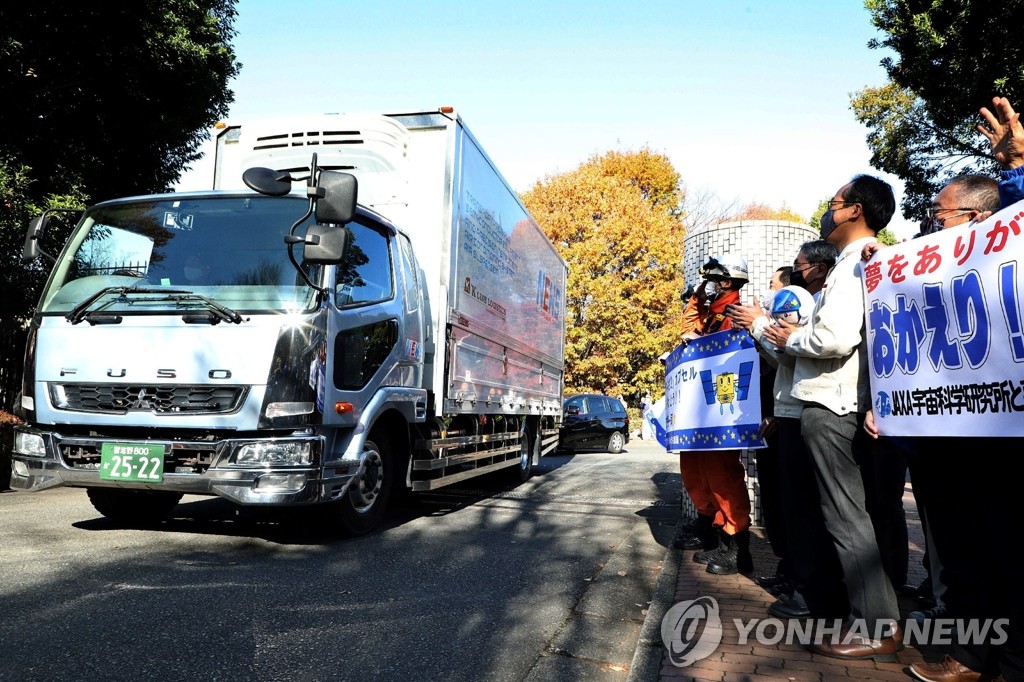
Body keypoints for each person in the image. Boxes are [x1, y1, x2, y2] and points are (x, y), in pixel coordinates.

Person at [880, 101, 1023, 681]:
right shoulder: (926, 263)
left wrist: (1015, 165)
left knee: (1007, 549)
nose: (933, 225)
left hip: (999, 433)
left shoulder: (1008, 238)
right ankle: (969, 655)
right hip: (940, 434)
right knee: (961, 551)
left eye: (942, 215)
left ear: (978, 216)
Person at [762, 175, 902, 661]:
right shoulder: (862, 263)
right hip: (839, 402)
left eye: (835, 203)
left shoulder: (852, 269)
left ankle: (877, 625)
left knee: (846, 518)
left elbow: (834, 339)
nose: (828, 210)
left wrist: (788, 340)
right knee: (846, 516)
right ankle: (870, 616)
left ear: (856, 210)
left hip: (832, 404)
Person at [728, 240, 847, 622]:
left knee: (806, 509)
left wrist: (760, 325)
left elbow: (800, 350)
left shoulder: (814, 305)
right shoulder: (811, 303)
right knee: (790, 507)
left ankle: (815, 591)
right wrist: (760, 334)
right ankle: (799, 579)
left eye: (794, 270)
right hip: (788, 410)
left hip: (807, 412)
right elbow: (782, 358)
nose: (777, 292)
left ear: (817, 268)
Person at [672, 253, 754, 577]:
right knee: (695, 468)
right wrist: (695, 300)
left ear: (727, 282)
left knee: (722, 474)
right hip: (700, 407)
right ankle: (709, 532)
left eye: (712, 278)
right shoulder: (709, 314)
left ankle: (735, 545)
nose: (706, 283)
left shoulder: (735, 315)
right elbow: (687, 329)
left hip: (723, 403)